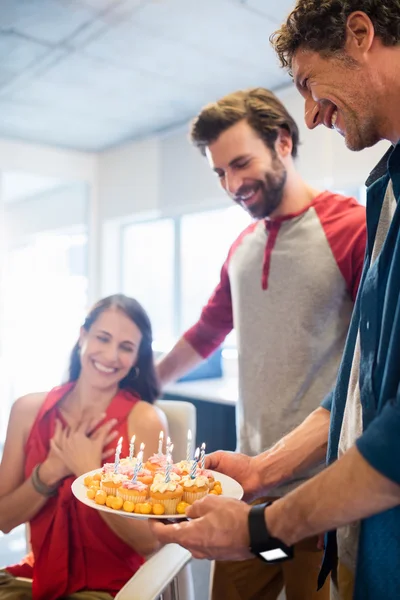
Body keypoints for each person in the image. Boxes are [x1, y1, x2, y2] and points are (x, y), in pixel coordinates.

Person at [150, 2, 400, 600]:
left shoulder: (352, 223)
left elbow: (377, 404)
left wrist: (269, 519)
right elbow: (212, 330)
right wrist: (140, 381)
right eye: (219, 173)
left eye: (240, 163)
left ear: (281, 143)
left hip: (326, 504)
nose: (233, 184)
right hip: (254, 493)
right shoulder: (245, 243)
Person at [0, 294, 168, 600]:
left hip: (110, 589)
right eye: (103, 338)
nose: (110, 355)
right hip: (32, 579)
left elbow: (149, 542)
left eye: (125, 347)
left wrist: (91, 475)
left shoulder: (145, 420)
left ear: (135, 359)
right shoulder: (27, 411)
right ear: (82, 336)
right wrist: (49, 473)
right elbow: (4, 518)